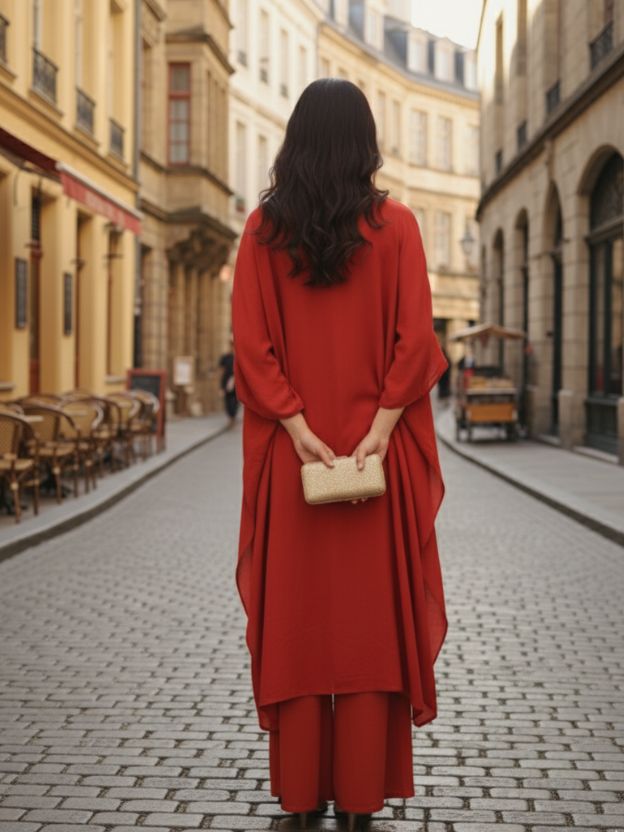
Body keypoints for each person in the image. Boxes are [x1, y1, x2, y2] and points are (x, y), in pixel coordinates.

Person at [231, 78, 449, 831]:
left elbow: (252, 351)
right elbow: (416, 341)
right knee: (366, 632)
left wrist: (296, 432)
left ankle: (300, 800)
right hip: (372, 474)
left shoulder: (263, 232)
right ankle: (360, 797)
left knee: (297, 628)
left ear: (293, 141)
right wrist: (381, 434)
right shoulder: (398, 227)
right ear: (364, 143)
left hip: (298, 474)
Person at [218, 336, 239, 427]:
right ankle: (230, 417)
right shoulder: (226, 357)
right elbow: (221, 371)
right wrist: (221, 387)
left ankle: (233, 417)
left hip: (237, 383)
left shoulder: (239, 357)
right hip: (226, 382)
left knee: (235, 401)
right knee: (227, 401)